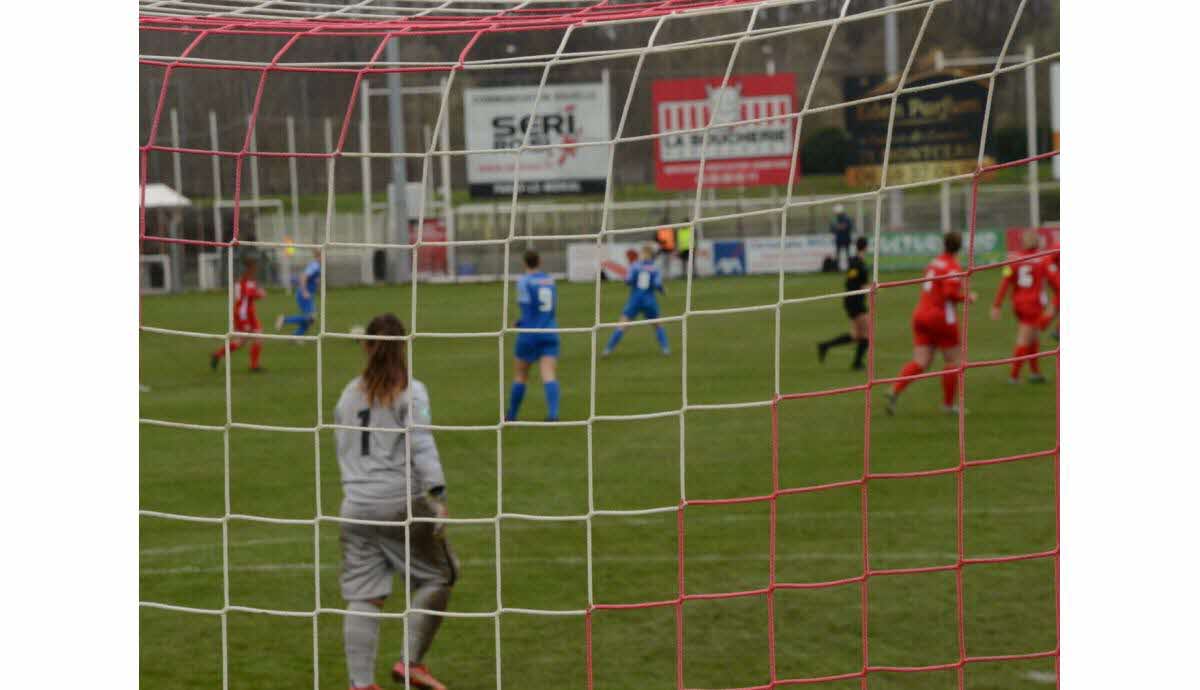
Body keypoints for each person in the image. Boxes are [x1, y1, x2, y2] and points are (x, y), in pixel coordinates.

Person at [334, 313, 456, 690]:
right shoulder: (411, 391)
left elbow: (342, 444)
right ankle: (410, 662)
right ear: (403, 347)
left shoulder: (349, 394)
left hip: (355, 506)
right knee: (440, 575)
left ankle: (361, 684)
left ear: (366, 346)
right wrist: (437, 494)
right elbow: (422, 441)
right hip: (399, 502)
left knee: (364, 594)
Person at [885, 232, 978, 415]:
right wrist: (967, 297)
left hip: (921, 314)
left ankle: (895, 389)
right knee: (954, 361)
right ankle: (948, 405)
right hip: (941, 317)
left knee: (921, 361)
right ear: (959, 247)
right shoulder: (952, 266)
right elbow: (949, 294)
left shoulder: (934, 262)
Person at [990, 230, 1060, 384]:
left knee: (1033, 337)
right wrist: (1055, 304)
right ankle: (1014, 376)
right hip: (1033, 305)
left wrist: (997, 305)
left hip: (1018, 304)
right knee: (1024, 339)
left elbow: (1005, 281)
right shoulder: (1043, 259)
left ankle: (1035, 372)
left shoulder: (1013, 259)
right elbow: (1056, 283)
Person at [506, 250, 561, 421]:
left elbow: (527, 309)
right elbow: (551, 308)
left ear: (524, 263)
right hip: (550, 331)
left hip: (529, 334)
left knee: (521, 375)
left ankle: (512, 415)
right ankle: (553, 414)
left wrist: (520, 322)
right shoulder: (550, 280)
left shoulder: (524, 281)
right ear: (540, 261)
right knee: (549, 373)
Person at [603, 244, 670, 356]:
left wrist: (630, 279)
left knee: (622, 325)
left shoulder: (635, 266)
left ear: (643, 254)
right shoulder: (655, 268)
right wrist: (663, 291)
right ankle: (666, 349)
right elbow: (658, 284)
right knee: (658, 325)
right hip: (649, 301)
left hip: (635, 300)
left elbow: (628, 280)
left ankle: (608, 350)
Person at [817, 236, 871, 370]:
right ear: (866, 247)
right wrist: (868, 288)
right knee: (866, 333)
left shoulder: (857, 262)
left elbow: (855, 282)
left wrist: (867, 288)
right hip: (854, 301)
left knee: (856, 335)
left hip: (854, 300)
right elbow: (853, 284)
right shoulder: (857, 264)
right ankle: (857, 364)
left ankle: (825, 346)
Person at [210, 255, 265, 372]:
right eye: (255, 267)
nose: (256, 269)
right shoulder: (247, 281)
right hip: (244, 313)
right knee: (244, 340)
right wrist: (260, 294)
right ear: (251, 268)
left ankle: (253, 365)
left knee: (253, 337)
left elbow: (246, 295)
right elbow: (251, 295)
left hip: (245, 312)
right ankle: (219, 354)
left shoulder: (242, 280)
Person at [276, 249, 321, 336]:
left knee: (309, 319)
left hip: (308, 294)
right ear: (318, 256)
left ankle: (296, 336)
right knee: (311, 317)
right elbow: (303, 277)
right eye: (322, 256)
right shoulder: (315, 265)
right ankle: (284, 319)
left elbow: (313, 279)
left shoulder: (317, 266)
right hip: (304, 294)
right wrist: (304, 291)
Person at [830, 204, 853, 269]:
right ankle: (837, 267)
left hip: (846, 238)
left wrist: (841, 227)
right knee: (838, 254)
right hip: (839, 238)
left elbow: (849, 227)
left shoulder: (847, 218)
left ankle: (850, 266)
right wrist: (839, 227)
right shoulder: (835, 219)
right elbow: (832, 228)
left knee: (847, 253)